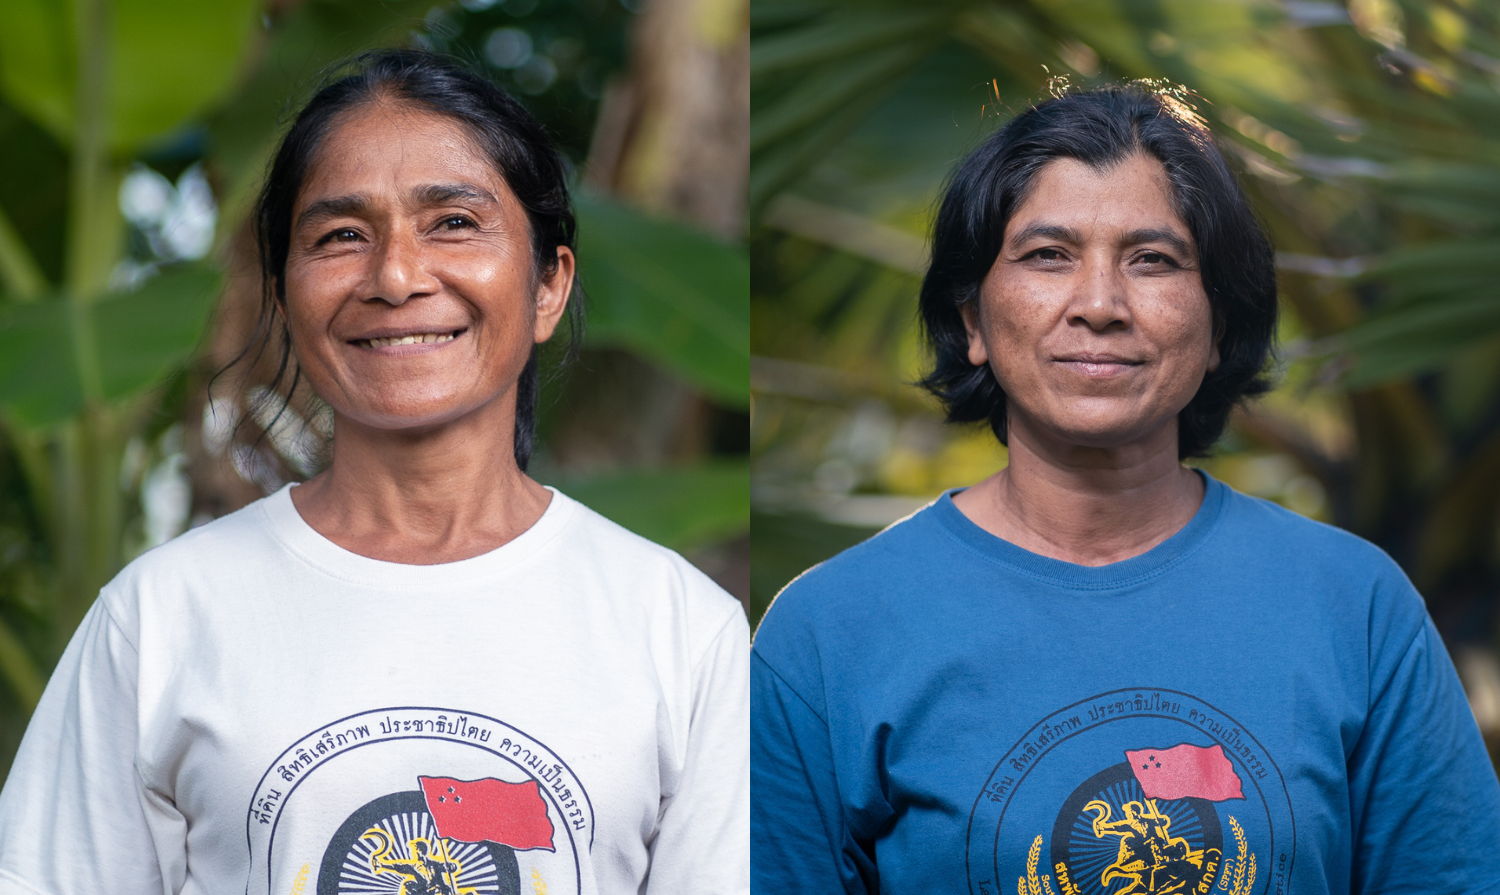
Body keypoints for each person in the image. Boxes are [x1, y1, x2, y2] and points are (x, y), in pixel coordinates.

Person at [0, 50, 748, 895]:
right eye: (341, 236)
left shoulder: (679, 632)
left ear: (548, 286)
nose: (395, 277)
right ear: (282, 297)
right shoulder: (163, 617)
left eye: (454, 224)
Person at [750, 84, 1500, 895]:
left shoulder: (1354, 607)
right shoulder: (830, 634)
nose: (1100, 306)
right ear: (972, 320)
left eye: (1153, 260)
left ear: (1218, 324)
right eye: (1048, 256)